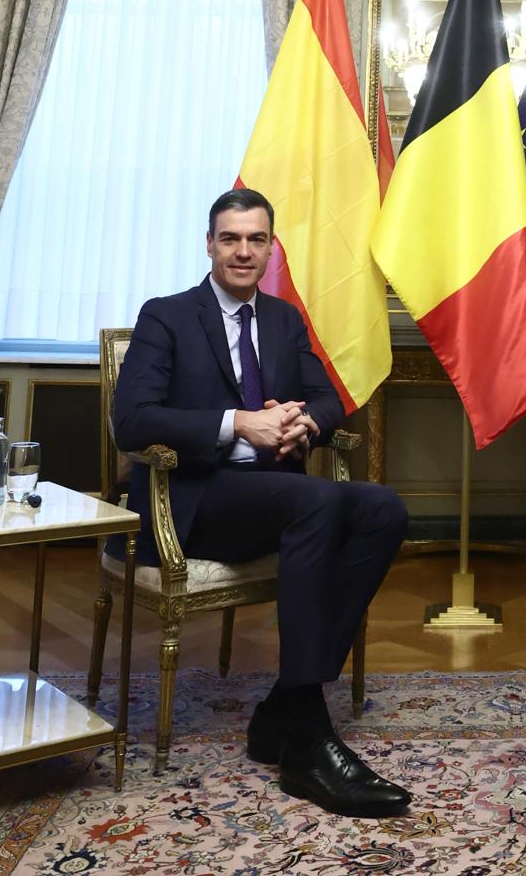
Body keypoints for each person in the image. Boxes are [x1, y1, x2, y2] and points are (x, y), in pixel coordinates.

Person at [113, 186, 410, 818]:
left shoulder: (282, 319)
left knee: (384, 508)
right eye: (230, 239)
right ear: (210, 244)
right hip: (193, 500)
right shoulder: (166, 315)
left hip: (272, 494)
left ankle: (283, 706)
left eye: (256, 239)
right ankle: (306, 733)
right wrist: (237, 424)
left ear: (271, 247)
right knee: (318, 503)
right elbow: (132, 422)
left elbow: (330, 397)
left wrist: (304, 421)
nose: (243, 251)